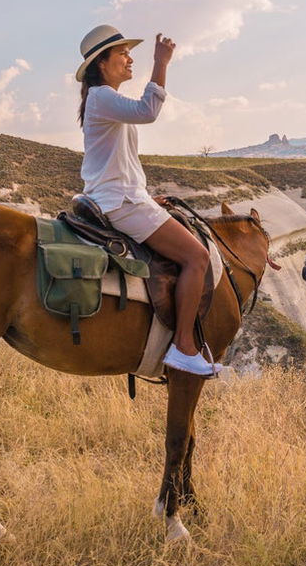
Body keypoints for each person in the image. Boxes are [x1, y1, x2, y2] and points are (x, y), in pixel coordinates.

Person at [75, 24, 218, 377]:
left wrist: (145, 197)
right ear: (101, 64)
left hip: (123, 197)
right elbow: (148, 110)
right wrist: (161, 63)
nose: (129, 58)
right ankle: (184, 347)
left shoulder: (103, 100)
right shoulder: (101, 95)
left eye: (129, 53)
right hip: (121, 202)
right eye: (122, 53)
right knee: (196, 257)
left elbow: (118, 163)